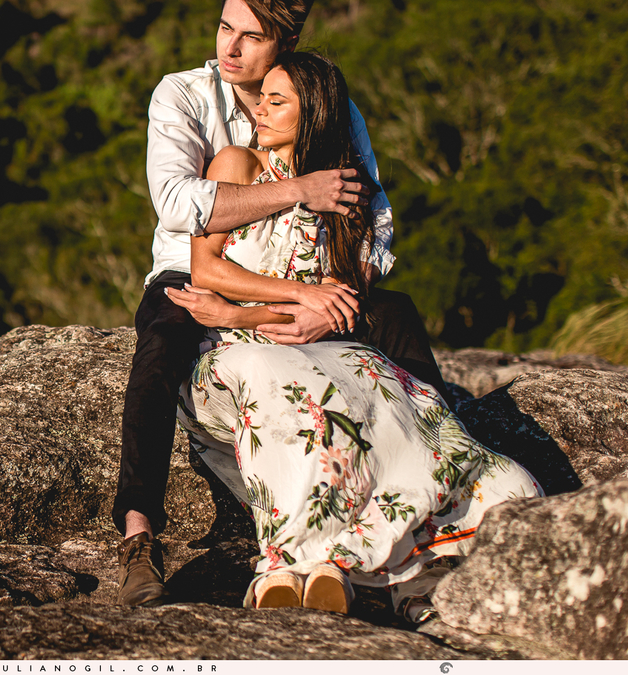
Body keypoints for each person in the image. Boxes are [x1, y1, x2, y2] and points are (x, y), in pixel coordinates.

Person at [114, 0, 448, 607]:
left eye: (252, 36)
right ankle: (139, 536)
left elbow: (376, 219)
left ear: (286, 41)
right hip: (197, 267)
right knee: (159, 348)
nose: (230, 48)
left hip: (317, 271)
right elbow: (179, 205)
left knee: (397, 316)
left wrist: (339, 295)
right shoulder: (182, 95)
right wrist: (299, 190)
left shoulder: (322, 99)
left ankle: (443, 465)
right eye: (224, 27)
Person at [168, 50, 541, 617]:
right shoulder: (236, 165)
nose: (259, 111)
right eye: (260, 98)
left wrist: (246, 313)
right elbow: (208, 271)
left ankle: (351, 566)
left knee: (388, 397)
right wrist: (292, 297)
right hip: (235, 354)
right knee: (278, 384)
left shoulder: (344, 191)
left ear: (313, 115)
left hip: (301, 340)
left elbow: (331, 308)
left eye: (277, 101)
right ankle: (292, 561)